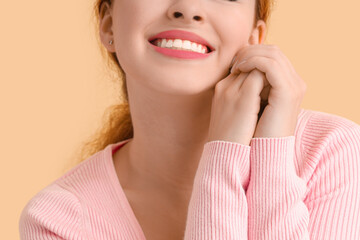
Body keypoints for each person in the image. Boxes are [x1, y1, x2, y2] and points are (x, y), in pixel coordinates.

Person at [19, 0, 360, 239]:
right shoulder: (58, 219)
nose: (189, 8)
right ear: (108, 25)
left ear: (254, 38)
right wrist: (223, 152)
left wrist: (269, 153)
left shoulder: (331, 151)